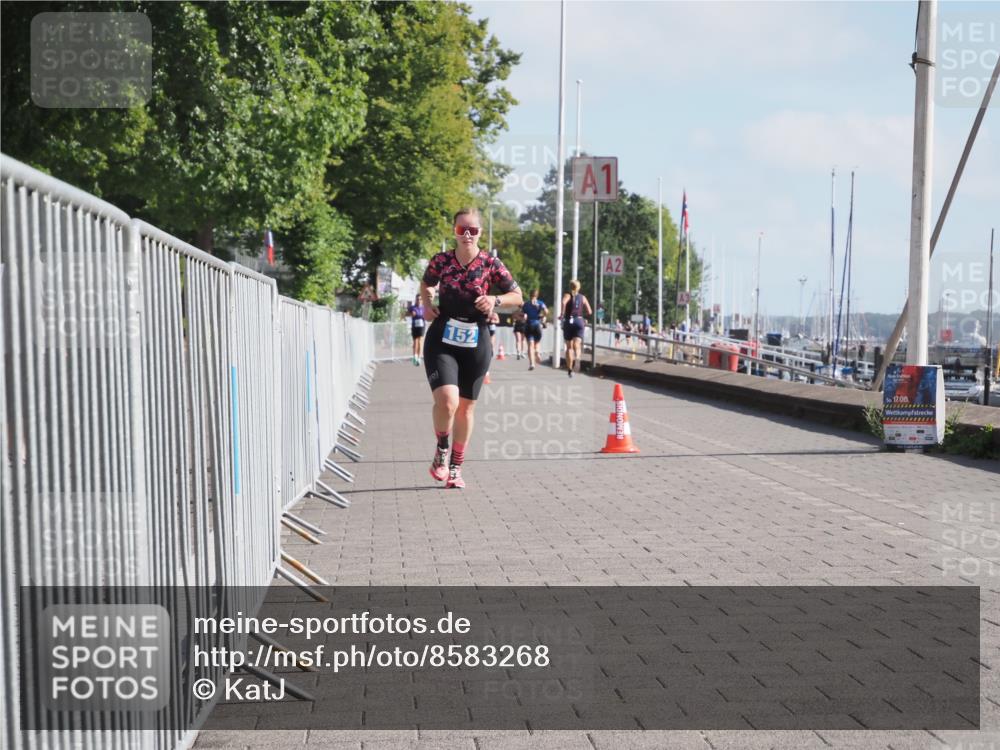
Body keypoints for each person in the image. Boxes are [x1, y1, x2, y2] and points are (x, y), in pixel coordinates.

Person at [421, 208, 523, 489]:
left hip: (476, 339)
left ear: (480, 233)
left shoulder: (491, 263)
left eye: (473, 230)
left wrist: (495, 301)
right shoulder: (441, 261)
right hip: (443, 337)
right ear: (453, 231)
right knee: (447, 401)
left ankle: (455, 467)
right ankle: (442, 447)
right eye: (461, 230)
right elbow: (427, 284)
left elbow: (517, 296)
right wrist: (428, 304)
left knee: (466, 409)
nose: (467, 235)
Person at [561, 280, 593, 377]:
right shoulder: (583, 297)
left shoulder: (567, 295)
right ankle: (578, 358)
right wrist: (584, 317)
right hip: (579, 321)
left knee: (569, 347)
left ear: (570, 287)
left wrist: (562, 314)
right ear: (579, 288)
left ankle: (570, 370)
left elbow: (563, 303)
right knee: (577, 343)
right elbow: (590, 311)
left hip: (568, 321)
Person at [522, 289, 547, 370]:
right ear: (537, 295)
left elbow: (522, 314)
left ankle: (532, 364)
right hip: (537, 324)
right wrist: (542, 315)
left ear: (530, 295)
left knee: (530, 345)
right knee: (537, 342)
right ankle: (537, 351)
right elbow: (546, 311)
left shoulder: (526, 304)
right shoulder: (540, 303)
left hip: (528, 325)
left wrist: (524, 316)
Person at [405, 295, 426, 366]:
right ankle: (415, 356)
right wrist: (411, 314)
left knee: (420, 341)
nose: (419, 300)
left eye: (420, 299)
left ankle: (419, 357)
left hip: (422, 326)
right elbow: (405, 314)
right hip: (415, 326)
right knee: (415, 342)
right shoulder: (412, 307)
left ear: (422, 300)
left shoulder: (424, 308)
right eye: (417, 299)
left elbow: (427, 316)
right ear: (415, 300)